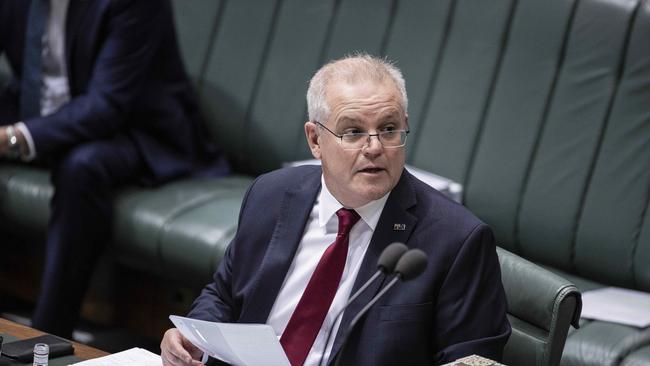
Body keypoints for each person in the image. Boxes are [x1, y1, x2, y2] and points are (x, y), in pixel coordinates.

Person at [160, 54, 510, 366]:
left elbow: (471, 360)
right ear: (315, 140)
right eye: (354, 131)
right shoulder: (271, 195)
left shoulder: (456, 239)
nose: (374, 147)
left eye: (388, 129)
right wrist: (194, 340)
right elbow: (223, 295)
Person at [0, 0, 229, 338]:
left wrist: (14, 138)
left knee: (81, 167)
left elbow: (106, 105)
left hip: (136, 127)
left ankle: (48, 335)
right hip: (42, 110)